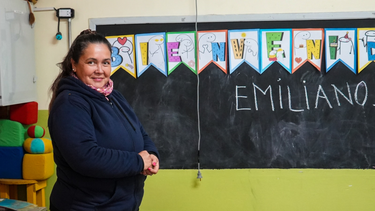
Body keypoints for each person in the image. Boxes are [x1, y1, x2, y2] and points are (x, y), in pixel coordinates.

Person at [48, 29, 159, 211]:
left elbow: (140, 132)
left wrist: (152, 155)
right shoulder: (70, 103)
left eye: (105, 63)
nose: (100, 70)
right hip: (87, 206)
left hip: (122, 204)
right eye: (91, 62)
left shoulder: (114, 96)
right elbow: (85, 156)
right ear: (74, 64)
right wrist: (138, 162)